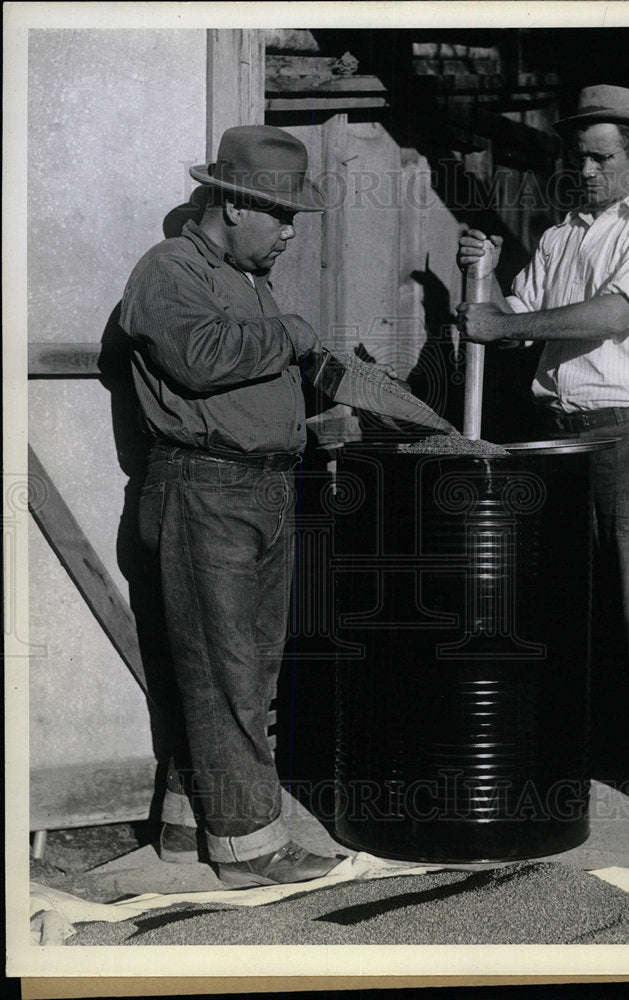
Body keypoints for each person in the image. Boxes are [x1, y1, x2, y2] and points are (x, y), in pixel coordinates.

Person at [455, 85, 629, 826]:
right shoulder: (563, 236)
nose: (586, 171)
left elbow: (614, 314)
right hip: (559, 438)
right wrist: (487, 273)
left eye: (601, 158)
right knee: (562, 606)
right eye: (578, 157)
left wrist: (503, 327)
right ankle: (575, 768)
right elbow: (513, 322)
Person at [120, 125, 342, 886]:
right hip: (203, 488)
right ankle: (252, 846)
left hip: (261, 488)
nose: (288, 234)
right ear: (230, 203)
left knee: (237, 669)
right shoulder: (168, 269)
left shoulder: (247, 275)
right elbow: (202, 357)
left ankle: (191, 824)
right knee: (227, 671)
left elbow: (247, 372)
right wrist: (293, 336)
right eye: (279, 217)